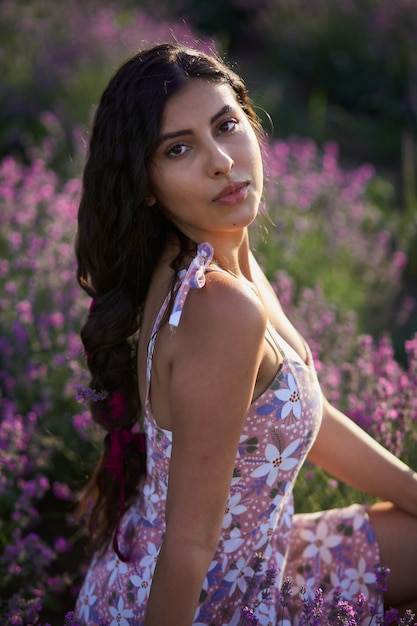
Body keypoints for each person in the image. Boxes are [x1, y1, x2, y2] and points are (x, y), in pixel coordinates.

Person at [73, 42, 417, 626]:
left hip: (252, 554)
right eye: (179, 148)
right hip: (209, 600)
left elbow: (310, 417)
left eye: (226, 126)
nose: (222, 162)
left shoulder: (213, 252)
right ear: (146, 184)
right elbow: (188, 550)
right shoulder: (219, 308)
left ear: (252, 126)